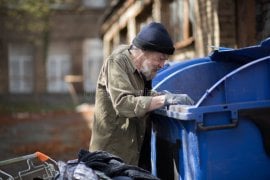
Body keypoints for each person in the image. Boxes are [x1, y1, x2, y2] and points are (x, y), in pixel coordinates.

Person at [89, 22, 194, 166]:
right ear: (144, 51)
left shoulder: (143, 69)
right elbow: (123, 103)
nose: (162, 65)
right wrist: (164, 99)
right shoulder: (116, 63)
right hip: (111, 155)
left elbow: (140, 94)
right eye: (161, 58)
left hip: (135, 151)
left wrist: (159, 95)